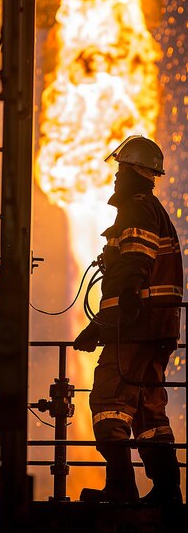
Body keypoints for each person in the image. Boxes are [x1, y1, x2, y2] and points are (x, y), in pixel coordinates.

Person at [73, 135, 183, 506]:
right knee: (149, 408)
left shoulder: (135, 209)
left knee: (108, 399)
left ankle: (121, 487)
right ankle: (167, 491)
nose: (116, 177)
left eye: (121, 169)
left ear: (137, 170)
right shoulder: (154, 210)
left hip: (136, 328)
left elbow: (133, 272)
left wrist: (103, 325)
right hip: (159, 328)